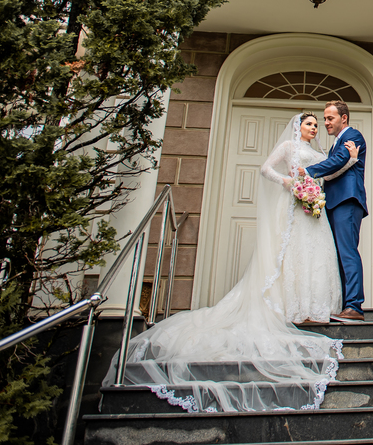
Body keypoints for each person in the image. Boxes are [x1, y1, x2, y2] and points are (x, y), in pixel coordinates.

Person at [105, 112, 356, 413]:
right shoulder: (289, 148)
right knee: (288, 255)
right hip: (290, 207)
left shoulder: (318, 153)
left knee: (314, 256)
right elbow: (265, 169)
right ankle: (289, 307)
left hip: (311, 210)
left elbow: (325, 174)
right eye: (309, 124)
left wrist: (350, 161)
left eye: (317, 125)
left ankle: (312, 307)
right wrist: (288, 182)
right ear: (297, 126)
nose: (314, 128)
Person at [306, 100, 368, 322]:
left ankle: (354, 306)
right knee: (338, 256)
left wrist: (307, 170)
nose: (325, 123)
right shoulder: (337, 143)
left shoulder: (353, 136)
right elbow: (336, 167)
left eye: (329, 118)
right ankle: (344, 305)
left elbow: (339, 161)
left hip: (347, 201)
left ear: (344, 118)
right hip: (333, 203)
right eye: (324, 119)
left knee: (348, 252)